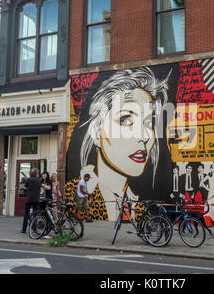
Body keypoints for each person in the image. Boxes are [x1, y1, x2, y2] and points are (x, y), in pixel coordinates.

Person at [66, 67, 170, 221]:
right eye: (126, 120)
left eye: (149, 122)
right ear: (96, 131)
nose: (144, 136)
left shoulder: (139, 207)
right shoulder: (72, 191)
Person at [21, 168, 41, 234]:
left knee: (26, 214)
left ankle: (23, 229)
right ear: (36, 174)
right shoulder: (39, 180)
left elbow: (26, 186)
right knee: (35, 214)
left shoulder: (28, 179)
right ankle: (34, 229)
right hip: (36, 199)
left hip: (29, 199)